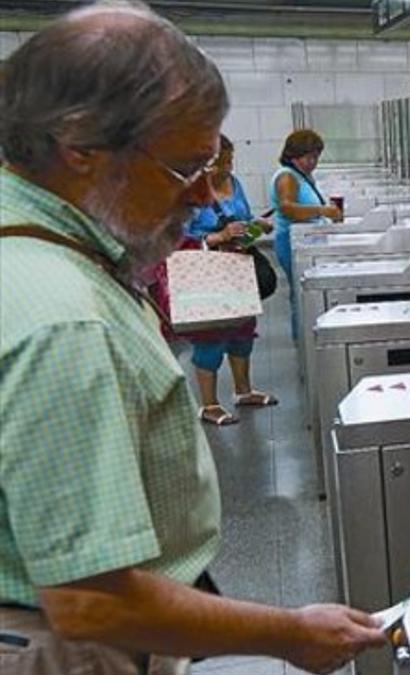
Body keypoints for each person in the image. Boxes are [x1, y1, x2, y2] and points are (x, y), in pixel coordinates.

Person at [0, 3, 385, 672]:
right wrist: (288, 633)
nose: (208, 197)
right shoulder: (64, 319)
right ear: (79, 147)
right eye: (185, 168)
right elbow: (93, 600)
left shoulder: (39, 244)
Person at [184, 134, 277, 426]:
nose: (229, 166)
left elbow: (245, 217)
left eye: (230, 159)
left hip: (239, 268)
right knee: (210, 336)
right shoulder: (189, 191)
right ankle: (209, 405)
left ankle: (243, 390)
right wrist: (218, 237)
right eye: (224, 161)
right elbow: (179, 237)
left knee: (243, 330)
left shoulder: (234, 184)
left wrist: (255, 226)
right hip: (208, 271)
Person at [270, 129, 341, 339]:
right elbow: (287, 208)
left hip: (307, 239)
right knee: (300, 296)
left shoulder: (301, 175)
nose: (313, 162)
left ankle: (305, 342)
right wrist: (322, 211)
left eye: (316, 157)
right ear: (294, 155)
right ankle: (302, 341)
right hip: (293, 242)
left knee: (302, 295)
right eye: (309, 157)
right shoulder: (287, 177)